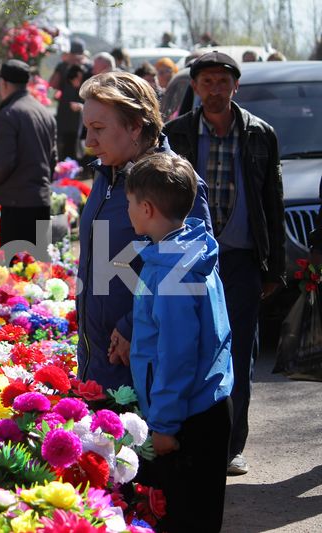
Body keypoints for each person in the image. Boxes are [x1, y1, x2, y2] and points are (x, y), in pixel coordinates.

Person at [163, 51, 285, 476]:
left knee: (238, 355)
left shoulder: (259, 134)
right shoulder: (175, 134)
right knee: (185, 347)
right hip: (185, 258)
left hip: (241, 260)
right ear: (194, 87)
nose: (215, 90)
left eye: (222, 81)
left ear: (236, 86)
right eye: (207, 82)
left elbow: (273, 200)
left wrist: (274, 268)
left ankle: (231, 447)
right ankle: (188, 438)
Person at [76, 71, 212, 390]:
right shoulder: (108, 173)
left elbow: (189, 277)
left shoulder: (174, 185)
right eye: (86, 128)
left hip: (146, 367)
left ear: (136, 126)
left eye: (98, 129)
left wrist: (132, 326)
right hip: (100, 361)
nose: (88, 141)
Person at [126, 152, 234, 533]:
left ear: (148, 208)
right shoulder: (190, 250)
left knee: (185, 518)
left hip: (186, 417)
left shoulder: (171, 272)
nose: (128, 210)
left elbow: (177, 355)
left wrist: (166, 425)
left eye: (129, 202)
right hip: (207, 404)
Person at [0, 59, 58, 251]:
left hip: (16, 204)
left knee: (14, 274)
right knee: (39, 272)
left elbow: (2, 163)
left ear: (4, 84)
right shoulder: (44, 113)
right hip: (40, 200)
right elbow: (53, 159)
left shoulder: (9, 114)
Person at [55, 64, 86, 161]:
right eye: (78, 77)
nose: (79, 80)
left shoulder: (79, 89)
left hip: (74, 127)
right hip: (67, 126)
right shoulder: (67, 87)